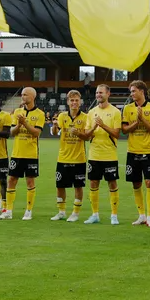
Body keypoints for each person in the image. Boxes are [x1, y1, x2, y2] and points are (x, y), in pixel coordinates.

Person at [0, 87, 45, 221]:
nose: (22, 97)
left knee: (30, 182)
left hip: (31, 155)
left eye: (25, 94)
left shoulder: (40, 114)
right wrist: (19, 125)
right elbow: (12, 133)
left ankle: (28, 211)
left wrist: (25, 123)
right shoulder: (17, 112)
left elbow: (36, 133)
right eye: (22, 94)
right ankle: (8, 211)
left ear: (33, 97)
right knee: (11, 180)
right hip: (16, 154)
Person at [77, 84, 122, 225]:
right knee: (93, 183)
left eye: (101, 92)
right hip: (94, 155)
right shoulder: (91, 112)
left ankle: (114, 215)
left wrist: (103, 125)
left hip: (109, 155)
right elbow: (86, 135)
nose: (98, 95)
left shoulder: (115, 112)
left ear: (108, 94)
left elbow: (117, 134)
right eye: (97, 92)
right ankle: (95, 214)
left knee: (112, 183)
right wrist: (94, 128)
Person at [122, 81, 150, 228]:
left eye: (134, 91)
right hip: (132, 151)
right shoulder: (127, 108)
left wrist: (143, 119)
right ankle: (141, 215)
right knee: (136, 183)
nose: (131, 94)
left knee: (149, 182)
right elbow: (124, 130)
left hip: (149, 151)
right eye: (131, 91)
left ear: (142, 91)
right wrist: (136, 123)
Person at [50, 90, 87, 222]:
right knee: (60, 186)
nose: (74, 103)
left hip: (79, 159)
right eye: (72, 100)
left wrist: (78, 133)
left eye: (76, 100)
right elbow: (55, 133)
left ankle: (75, 213)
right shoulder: (62, 116)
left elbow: (88, 137)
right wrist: (54, 126)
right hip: (63, 158)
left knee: (78, 186)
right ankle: (61, 212)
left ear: (80, 102)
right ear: (67, 102)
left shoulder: (85, 117)